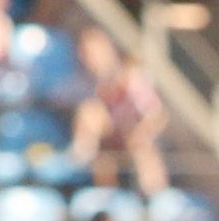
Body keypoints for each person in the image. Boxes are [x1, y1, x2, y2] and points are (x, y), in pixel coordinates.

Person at [71, 26, 168, 196]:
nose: (91, 59)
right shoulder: (87, 81)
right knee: (90, 115)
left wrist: (138, 133)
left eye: (95, 53)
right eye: (87, 54)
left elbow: (157, 116)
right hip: (108, 140)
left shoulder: (132, 77)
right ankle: (105, 194)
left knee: (142, 145)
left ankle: (155, 197)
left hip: (137, 137)